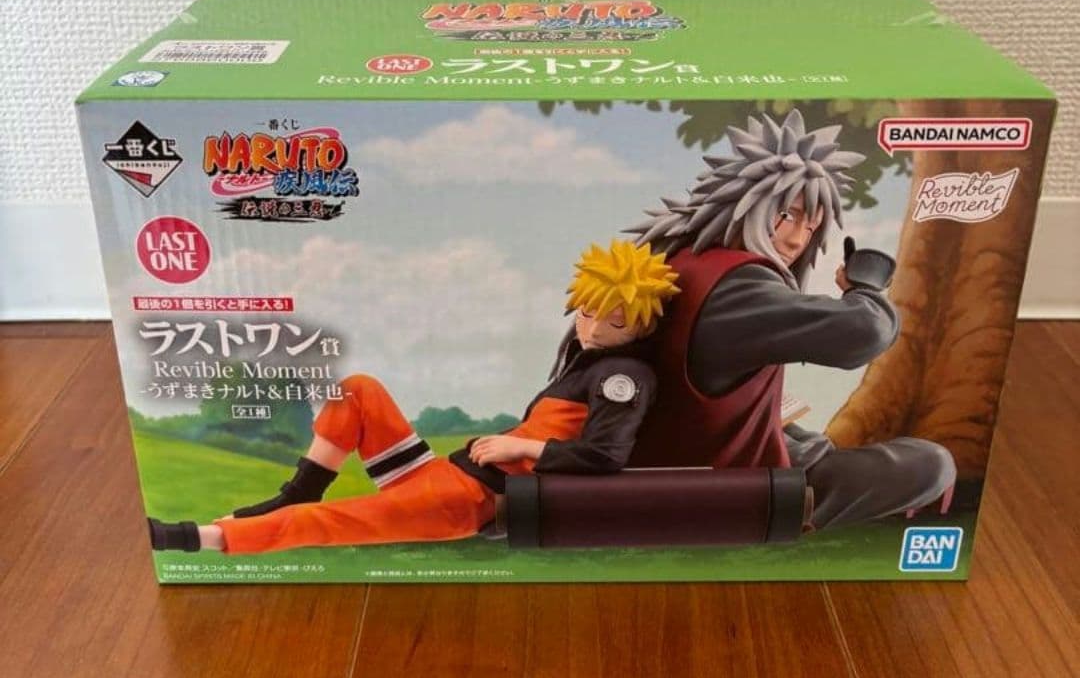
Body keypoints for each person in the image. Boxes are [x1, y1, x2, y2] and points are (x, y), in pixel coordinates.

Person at [148, 239, 680, 554]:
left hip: (464, 500)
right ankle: (299, 491)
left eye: (615, 321)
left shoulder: (624, 377)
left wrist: (523, 448)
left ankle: (197, 538)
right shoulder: (588, 363)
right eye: (586, 311)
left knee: (334, 522)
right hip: (442, 473)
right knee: (358, 389)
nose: (593, 328)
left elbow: (605, 456)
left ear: (645, 325)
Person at [623, 108, 956, 529]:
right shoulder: (738, 286)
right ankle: (783, 516)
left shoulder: (683, 259)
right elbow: (864, 332)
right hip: (729, 486)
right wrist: (865, 288)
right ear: (747, 203)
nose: (798, 239)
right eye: (789, 216)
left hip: (685, 449)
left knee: (800, 435)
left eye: (811, 226)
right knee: (931, 463)